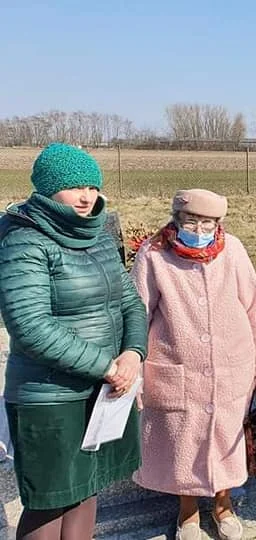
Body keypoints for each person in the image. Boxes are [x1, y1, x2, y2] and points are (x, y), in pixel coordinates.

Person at [0, 143, 147, 539]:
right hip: (50, 397)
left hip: (102, 392)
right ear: (49, 190)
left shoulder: (98, 235)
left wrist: (133, 354)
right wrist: (107, 366)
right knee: (49, 503)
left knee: (87, 489)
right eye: (75, 187)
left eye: (93, 187)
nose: (87, 197)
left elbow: (130, 302)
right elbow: (30, 325)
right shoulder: (24, 239)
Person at [130, 189, 256, 540]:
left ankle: (224, 505)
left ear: (218, 223)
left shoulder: (233, 249)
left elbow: (253, 306)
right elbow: (137, 313)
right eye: (191, 221)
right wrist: (134, 368)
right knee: (184, 440)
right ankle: (188, 511)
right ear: (176, 220)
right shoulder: (153, 253)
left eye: (207, 223)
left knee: (227, 435)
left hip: (231, 365)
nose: (199, 229)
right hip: (177, 366)